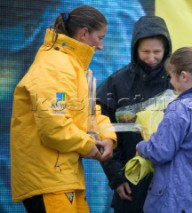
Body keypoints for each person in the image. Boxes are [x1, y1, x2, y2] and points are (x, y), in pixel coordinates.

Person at [10, 5, 117, 213]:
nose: (101, 46)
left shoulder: (71, 66)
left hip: (63, 176)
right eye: (100, 37)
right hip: (49, 179)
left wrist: (108, 136)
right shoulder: (53, 66)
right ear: (84, 33)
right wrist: (88, 146)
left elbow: (89, 113)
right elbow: (54, 126)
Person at [136, 47, 192, 213]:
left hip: (175, 202)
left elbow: (160, 151)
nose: (170, 81)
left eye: (171, 76)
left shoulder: (180, 108)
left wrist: (142, 146)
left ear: (183, 76)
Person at [96, 16, 172, 212]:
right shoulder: (116, 83)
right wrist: (116, 176)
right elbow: (102, 131)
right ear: (135, 49)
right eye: (145, 51)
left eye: (157, 52)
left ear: (166, 50)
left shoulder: (177, 82)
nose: (152, 57)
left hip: (169, 185)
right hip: (130, 185)